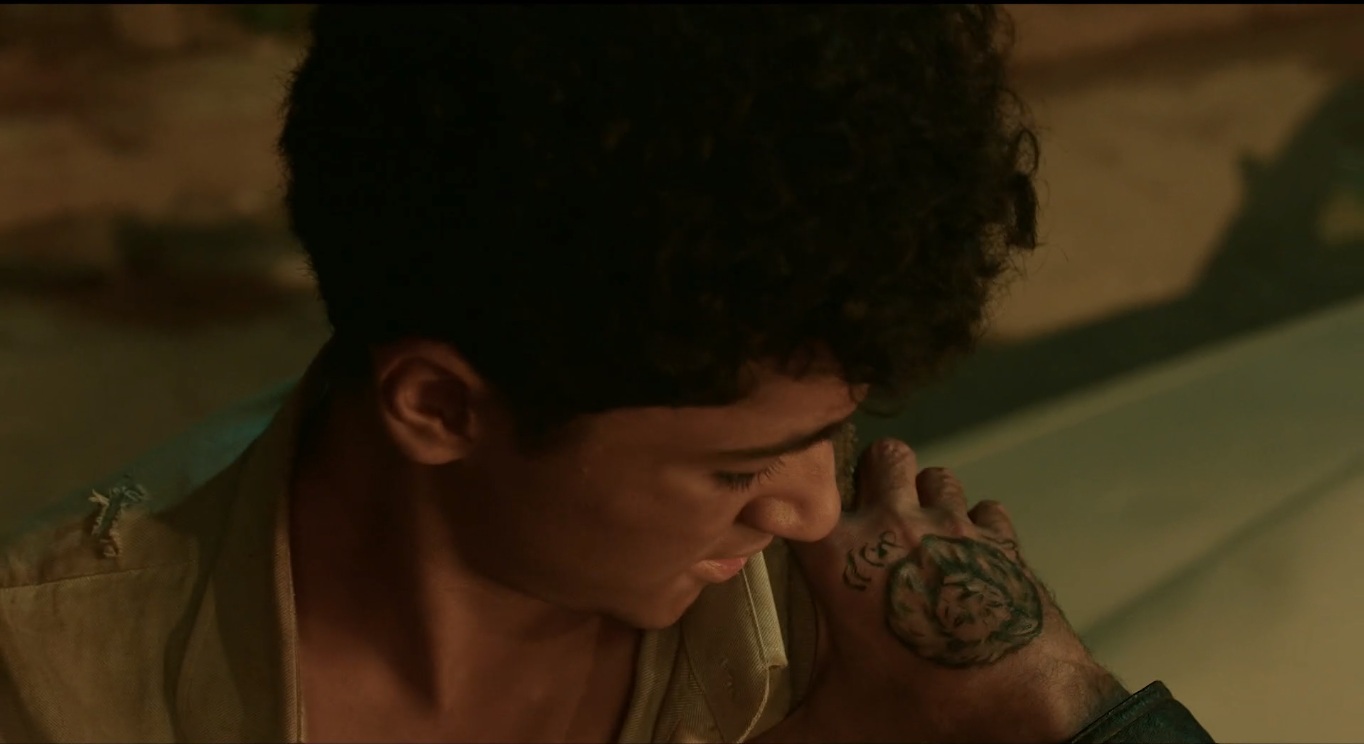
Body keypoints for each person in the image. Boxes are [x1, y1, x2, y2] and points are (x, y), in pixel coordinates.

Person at [0, 6, 1213, 742]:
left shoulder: (865, 636)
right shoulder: (58, 695)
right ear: (439, 407)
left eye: (831, 430)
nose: (810, 510)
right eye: (735, 468)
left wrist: (1065, 709)